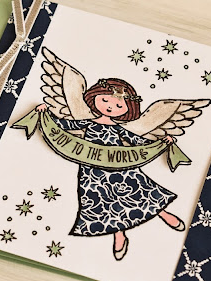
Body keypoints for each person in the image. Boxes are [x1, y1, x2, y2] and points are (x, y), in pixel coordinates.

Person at [35, 78, 185, 261]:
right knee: (103, 201)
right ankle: (119, 235)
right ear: (94, 97)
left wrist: (161, 143)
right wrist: (45, 113)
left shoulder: (119, 128)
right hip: (93, 172)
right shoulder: (89, 122)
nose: (109, 106)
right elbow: (65, 124)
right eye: (104, 100)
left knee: (139, 192)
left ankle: (163, 214)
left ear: (128, 108)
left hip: (120, 166)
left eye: (118, 105)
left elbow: (136, 141)